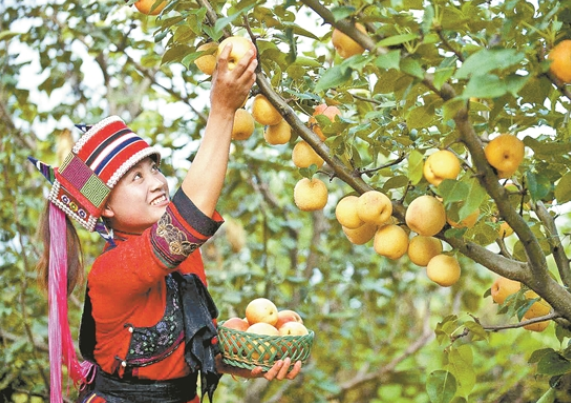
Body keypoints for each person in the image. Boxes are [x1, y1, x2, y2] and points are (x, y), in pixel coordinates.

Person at [31, 43, 302, 403]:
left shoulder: (183, 258)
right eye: (137, 178)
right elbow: (187, 221)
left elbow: (185, 351)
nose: (158, 182)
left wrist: (239, 361)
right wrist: (222, 111)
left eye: (154, 169)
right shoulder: (110, 272)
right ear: (106, 207)